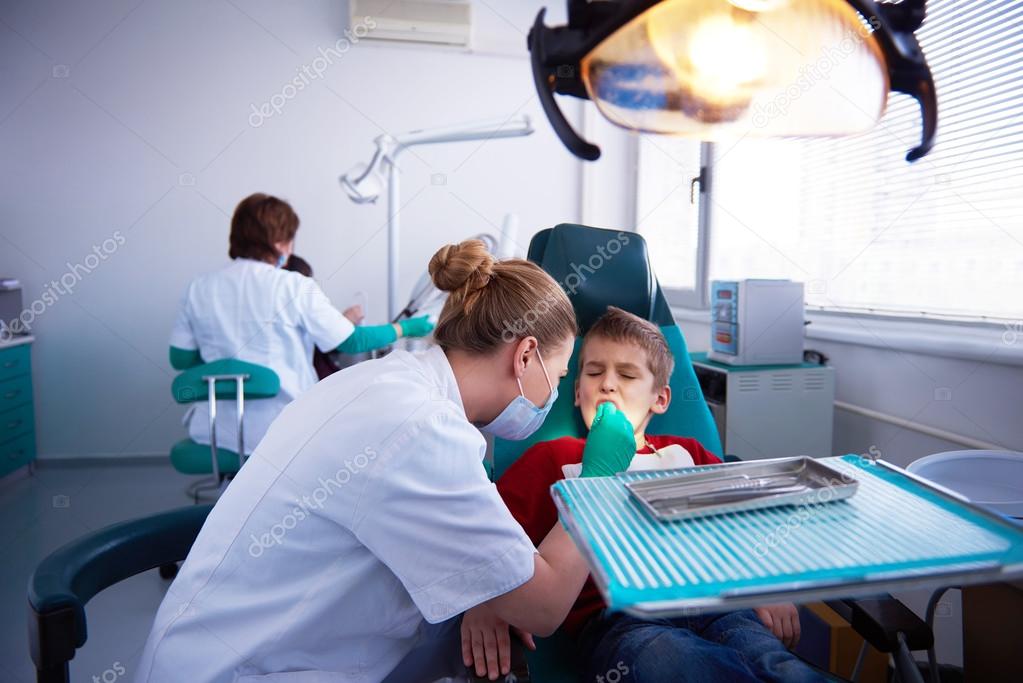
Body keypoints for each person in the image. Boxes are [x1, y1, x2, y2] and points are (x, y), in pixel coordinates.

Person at [137, 239, 624, 683]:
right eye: (559, 374)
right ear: (525, 356)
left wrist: (492, 590)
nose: (555, 392)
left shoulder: (386, 383)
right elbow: (542, 607)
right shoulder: (421, 429)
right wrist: (597, 481)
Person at [462, 306, 826, 683]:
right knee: (669, 660)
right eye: (594, 371)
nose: (607, 384)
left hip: (718, 605)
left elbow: (744, 524)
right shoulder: (555, 457)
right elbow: (490, 537)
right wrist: (486, 601)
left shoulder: (688, 454)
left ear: (661, 399)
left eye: (627, 374)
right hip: (624, 620)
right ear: (576, 391)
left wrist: (763, 583)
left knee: (775, 663)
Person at [168, 193, 433, 456]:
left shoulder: (199, 288)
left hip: (215, 431)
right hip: (283, 426)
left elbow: (180, 359)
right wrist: (407, 328)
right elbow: (352, 340)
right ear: (280, 242)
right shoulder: (293, 285)